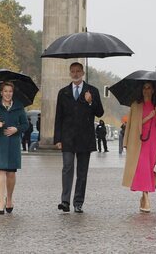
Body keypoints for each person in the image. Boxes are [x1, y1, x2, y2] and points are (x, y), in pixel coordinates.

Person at [54, 61, 104, 213]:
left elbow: (100, 112)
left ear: (82, 73)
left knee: (82, 171)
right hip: (67, 137)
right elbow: (58, 117)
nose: (75, 74)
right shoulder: (63, 92)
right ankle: (65, 201)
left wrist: (91, 102)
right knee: (67, 167)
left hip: (85, 137)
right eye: (73, 71)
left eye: (78, 71)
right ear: (70, 73)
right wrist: (57, 139)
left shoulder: (92, 91)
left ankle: (78, 202)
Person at [0, 81, 29, 215]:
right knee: (0, 171)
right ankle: (0, 202)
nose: (8, 94)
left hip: (13, 143)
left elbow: (25, 125)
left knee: (11, 173)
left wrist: (17, 129)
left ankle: (9, 198)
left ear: (12, 93)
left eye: (10, 91)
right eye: (5, 91)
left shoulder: (19, 107)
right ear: (1, 93)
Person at [122, 81, 156, 213]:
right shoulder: (135, 106)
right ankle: (146, 198)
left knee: (149, 169)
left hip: (153, 141)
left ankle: (144, 195)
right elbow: (132, 125)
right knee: (141, 168)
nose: (146, 90)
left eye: (149, 88)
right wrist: (148, 117)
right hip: (138, 142)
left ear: (153, 90)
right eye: (144, 88)